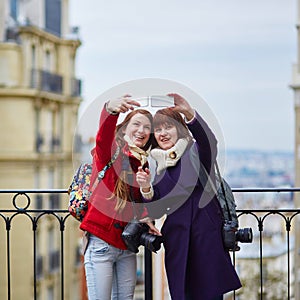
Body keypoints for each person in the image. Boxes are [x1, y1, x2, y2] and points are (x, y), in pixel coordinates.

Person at [136, 93, 242, 300]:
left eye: (168, 127)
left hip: (205, 238)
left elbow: (209, 141)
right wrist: (146, 188)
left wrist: (189, 113)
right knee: (182, 295)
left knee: (209, 294)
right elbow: (157, 206)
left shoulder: (194, 152)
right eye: (158, 129)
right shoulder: (159, 166)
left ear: (179, 129)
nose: (163, 133)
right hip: (178, 243)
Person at [80, 95, 159, 300]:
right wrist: (110, 110)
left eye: (146, 127)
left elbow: (136, 203)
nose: (141, 130)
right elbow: (102, 137)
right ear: (124, 128)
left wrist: (145, 213)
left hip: (127, 246)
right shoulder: (111, 152)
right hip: (101, 243)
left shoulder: (142, 163)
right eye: (137, 124)